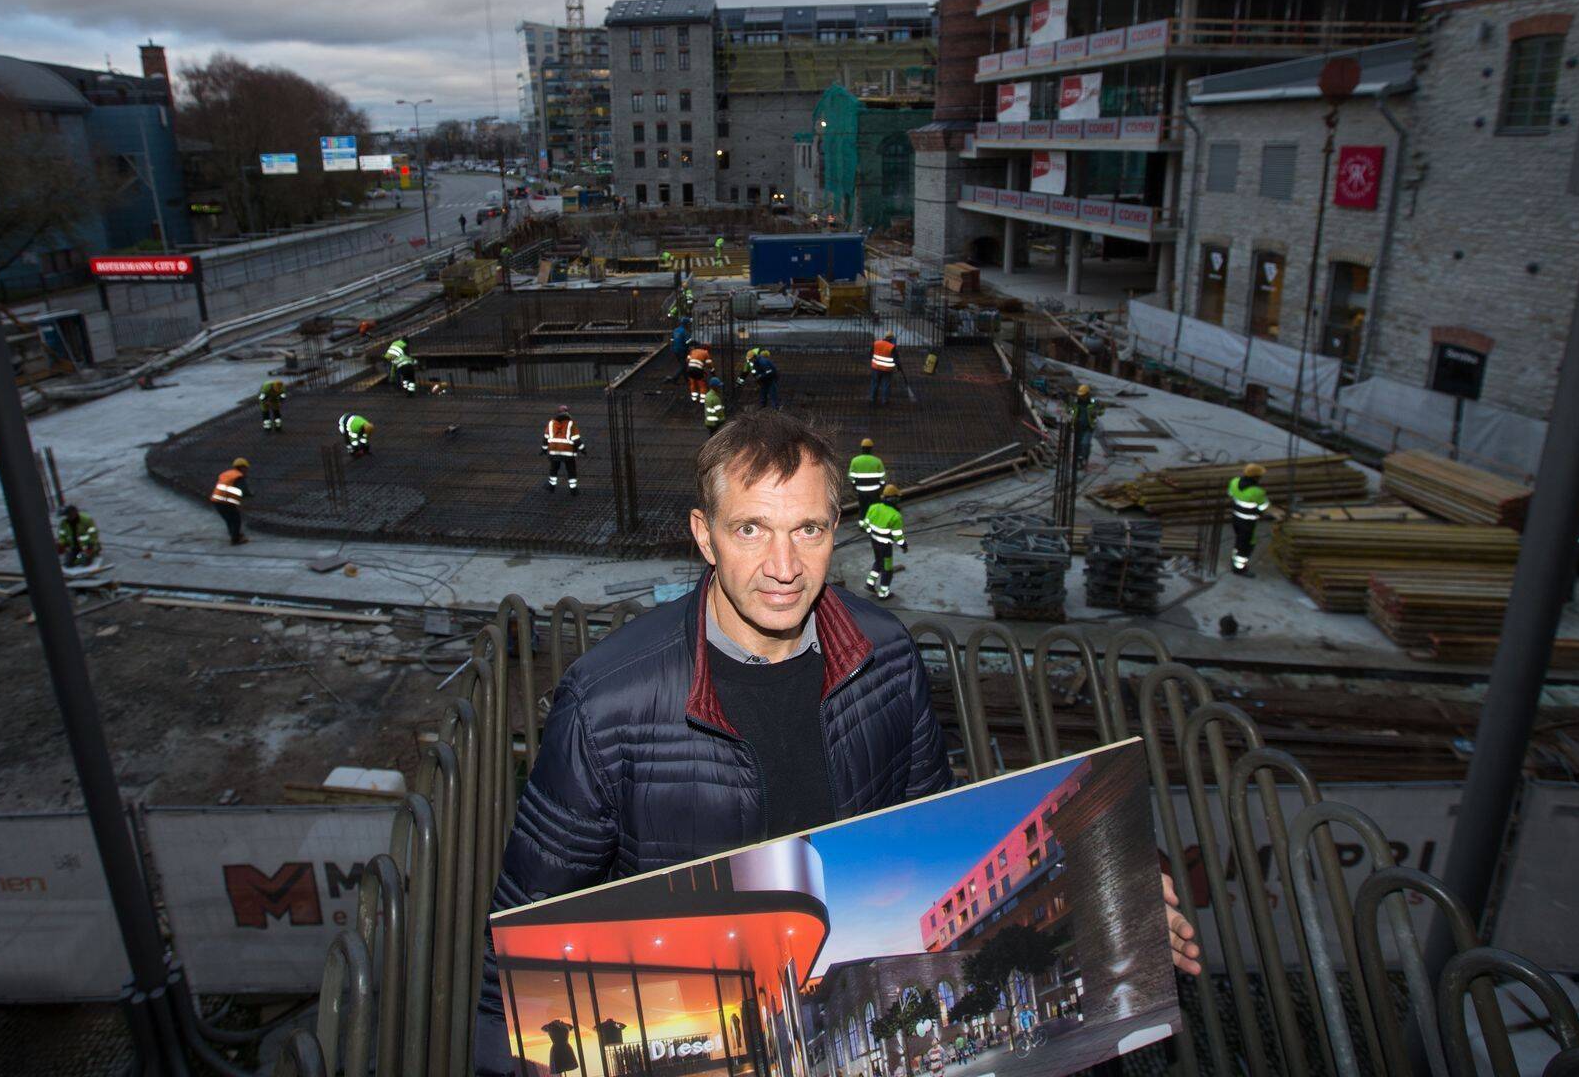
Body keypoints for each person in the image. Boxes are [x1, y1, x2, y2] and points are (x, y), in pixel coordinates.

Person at [473, 411, 1202, 1073]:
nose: (784, 567)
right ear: (703, 534)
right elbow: (516, 958)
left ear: (837, 529)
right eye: (750, 529)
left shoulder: (884, 654)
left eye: (809, 531)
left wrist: (1126, 896)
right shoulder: (608, 704)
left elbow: (937, 828)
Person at [861, 483, 907, 600]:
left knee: (878, 561)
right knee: (887, 569)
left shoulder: (873, 507)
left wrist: (873, 533)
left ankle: (870, 583)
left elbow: (866, 525)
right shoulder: (895, 516)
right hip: (885, 546)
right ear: (895, 499)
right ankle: (883, 593)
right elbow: (897, 536)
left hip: (874, 541)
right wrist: (903, 545)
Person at [1227, 462, 1270, 575]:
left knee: (1239, 540)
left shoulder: (1234, 482)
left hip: (1236, 518)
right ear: (1256, 477)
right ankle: (1239, 568)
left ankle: (1234, 559)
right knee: (1247, 545)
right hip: (1248, 522)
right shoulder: (1257, 491)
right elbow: (1263, 506)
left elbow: (1230, 494)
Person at [544, 403, 584, 495]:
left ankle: (551, 487)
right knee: (571, 470)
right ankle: (573, 490)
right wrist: (582, 449)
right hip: (568, 452)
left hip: (554, 451)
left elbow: (546, 437)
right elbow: (576, 439)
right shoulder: (571, 423)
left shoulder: (551, 423)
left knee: (553, 468)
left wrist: (544, 449)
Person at [210, 457, 249, 545]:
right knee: (236, 519)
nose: (247, 470)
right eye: (246, 468)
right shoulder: (238, 476)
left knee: (229, 519)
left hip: (216, 500)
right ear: (242, 467)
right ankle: (235, 539)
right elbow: (243, 490)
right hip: (225, 501)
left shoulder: (227, 473)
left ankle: (235, 535)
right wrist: (250, 494)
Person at [848, 438, 886, 516]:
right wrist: (881, 486)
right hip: (874, 490)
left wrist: (854, 484)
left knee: (863, 508)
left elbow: (851, 476)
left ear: (862, 448)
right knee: (875, 508)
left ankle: (863, 523)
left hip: (861, 490)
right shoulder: (877, 461)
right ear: (871, 449)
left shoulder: (855, 460)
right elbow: (883, 476)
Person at [56, 503, 100, 570]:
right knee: (68, 564)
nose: (68, 517)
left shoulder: (86, 520)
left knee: (84, 561)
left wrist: (91, 544)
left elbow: (94, 534)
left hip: (87, 547)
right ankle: (78, 557)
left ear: (74, 513)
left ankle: (91, 554)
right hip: (73, 547)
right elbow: (62, 536)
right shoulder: (64, 523)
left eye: (69, 515)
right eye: (67, 515)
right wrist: (62, 543)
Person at [1071, 383, 1103, 469]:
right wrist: (1071, 413)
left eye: (1083, 395)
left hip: (1088, 427)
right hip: (1078, 427)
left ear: (1087, 394)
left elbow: (1101, 410)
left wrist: (1097, 412)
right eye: (1080, 395)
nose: (1081, 397)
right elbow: (1071, 410)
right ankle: (1079, 461)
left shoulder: (1093, 402)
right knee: (1078, 446)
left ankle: (1084, 458)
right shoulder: (1076, 402)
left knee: (1085, 444)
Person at [870, 334, 897, 405]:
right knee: (886, 385)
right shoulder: (892, 347)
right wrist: (898, 367)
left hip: (876, 368)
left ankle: (872, 398)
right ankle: (884, 400)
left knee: (875, 384)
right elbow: (896, 359)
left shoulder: (876, 343)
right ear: (891, 339)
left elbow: (870, 354)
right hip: (887, 370)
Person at [669, 317, 693, 383]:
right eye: (689, 323)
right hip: (682, 350)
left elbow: (672, 340)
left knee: (683, 364)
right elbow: (687, 342)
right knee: (683, 365)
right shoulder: (685, 332)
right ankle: (675, 378)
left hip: (675, 349)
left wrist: (672, 347)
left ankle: (687, 379)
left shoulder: (675, 330)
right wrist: (692, 341)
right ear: (686, 324)